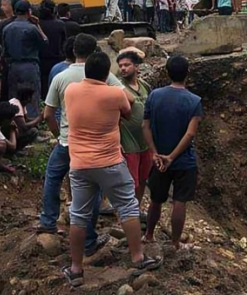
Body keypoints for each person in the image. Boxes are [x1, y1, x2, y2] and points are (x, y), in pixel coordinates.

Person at [62, 52, 161, 287]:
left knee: (78, 214)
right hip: (110, 162)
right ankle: (138, 257)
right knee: (127, 206)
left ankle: (76, 269)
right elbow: (128, 111)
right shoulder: (115, 93)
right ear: (108, 73)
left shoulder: (71, 91)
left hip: (79, 165)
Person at [38, 34, 134, 250]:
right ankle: (89, 240)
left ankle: (48, 221)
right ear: (94, 54)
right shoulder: (103, 75)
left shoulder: (61, 77)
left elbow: (48, 114)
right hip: (95, 146)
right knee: (93, 189)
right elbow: (128, 99)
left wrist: (58, 135)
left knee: (53, 178)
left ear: (73, 52)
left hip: (67, 141)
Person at [143, 55, 203, 249]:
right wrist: (172, 156)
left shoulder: (154, 96)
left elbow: (145, 126)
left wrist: (155, 153)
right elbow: (190, 133)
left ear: (167, 73)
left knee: (156, 199)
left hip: (159, 159)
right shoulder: (194, 101)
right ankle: (175, 241)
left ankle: (149, 235)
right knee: (180, 201)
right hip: (183, 161)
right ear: (188, 74)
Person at [117, 51, 152, 211]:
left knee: (143, 177)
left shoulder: (145, 86)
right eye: (121, 66)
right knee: (131, 180)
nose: (123, 68)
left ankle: (136, 209)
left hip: (145, 142)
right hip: (128, 142)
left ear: (136, 67)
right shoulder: (118, 88)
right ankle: (128, 213)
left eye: (126, 65)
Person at [2, 0, 48, 118]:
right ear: (29, 12)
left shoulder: (7, 28)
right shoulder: (32, 28)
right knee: (32, 96)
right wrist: (38, 25)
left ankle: (16, 125)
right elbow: (45, 43)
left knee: (14, 97)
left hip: (12, 67)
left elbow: (4, 50)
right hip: (29, 67)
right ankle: (32, 126)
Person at [38, 0, 67, 99]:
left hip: (40, 61)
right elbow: (64, 42)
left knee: (43, 91)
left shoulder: (37, 25)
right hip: (57, 60)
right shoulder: (60, 24)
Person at [8, 85, 41, 152]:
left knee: (34, 125)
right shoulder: (16, 104)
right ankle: (17, 149)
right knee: (33, 131)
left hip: (14, 130)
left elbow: (26, 118)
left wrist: (37, 120)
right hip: (9, 132)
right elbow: (24, 127)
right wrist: (39, 119)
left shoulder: (21, 104)